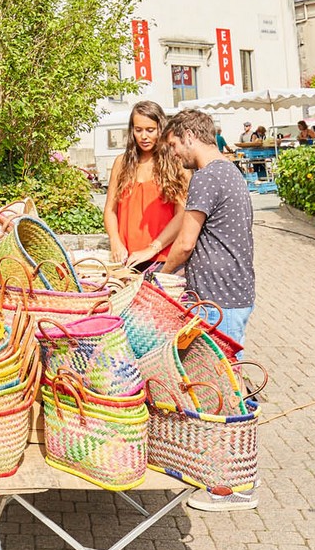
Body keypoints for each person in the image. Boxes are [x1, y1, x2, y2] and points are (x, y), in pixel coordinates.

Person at [158, 108, 257, 512]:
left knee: (225, 394)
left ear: (186, 137)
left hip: (222, 298)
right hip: (229, 293)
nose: (174, 155)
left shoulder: (206, 177)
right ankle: (228, 476)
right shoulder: (228, 171)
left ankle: (234, 487)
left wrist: (159, 276)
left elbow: (185, 242)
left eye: (173, 146)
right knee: (224, 387)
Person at [103, 101, 190, 269]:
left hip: (164, 260)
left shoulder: (175, 163)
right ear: (132, 131)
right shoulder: (121, 163)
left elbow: (182, 214)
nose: (144, 136)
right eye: (138, 130)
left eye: (150, 130)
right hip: (126, 260)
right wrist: (115, 241)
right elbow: (110, 210)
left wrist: (152, 249)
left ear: (161, 129)